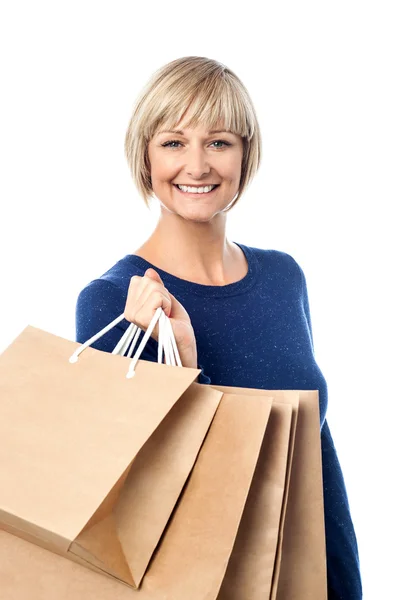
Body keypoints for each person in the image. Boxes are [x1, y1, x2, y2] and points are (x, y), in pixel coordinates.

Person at [75, 56, 362, 599]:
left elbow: (317, 457)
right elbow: (133, 500)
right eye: (174, 142)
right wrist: (182, 365)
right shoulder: (114, 301)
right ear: (145, 155)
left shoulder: (283, 276)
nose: (198, 165)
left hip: (316, 575)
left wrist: (345, 582)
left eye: (219, 142)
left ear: (245, 154)